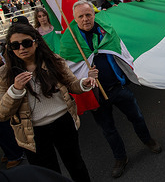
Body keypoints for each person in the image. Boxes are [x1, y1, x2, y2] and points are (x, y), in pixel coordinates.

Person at [59, 0, 162, 178]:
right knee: (108, 129)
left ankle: (148, 140)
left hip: (118, 87)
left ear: (94, 14)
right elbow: (68, 71)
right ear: (75, 19)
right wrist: (86, 76)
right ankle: (120, 158)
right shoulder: (70, 41)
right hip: (95, 94)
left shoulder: (106, 31)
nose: (85, 19)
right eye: (80, 16)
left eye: (88, 15)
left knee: (136, 117)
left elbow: (121, 51)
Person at [0, 23, 96, 181]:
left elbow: (71, 84)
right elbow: (3, 113)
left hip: (63, 122)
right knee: (48, 174)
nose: (21, 48)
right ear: (10, 48)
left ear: (36, 42)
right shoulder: (5, 74)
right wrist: (15, 89)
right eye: (15, 45)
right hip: (33, 131)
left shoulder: (53, 60)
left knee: (76, 165)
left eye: (26, 42)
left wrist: (83, 83)